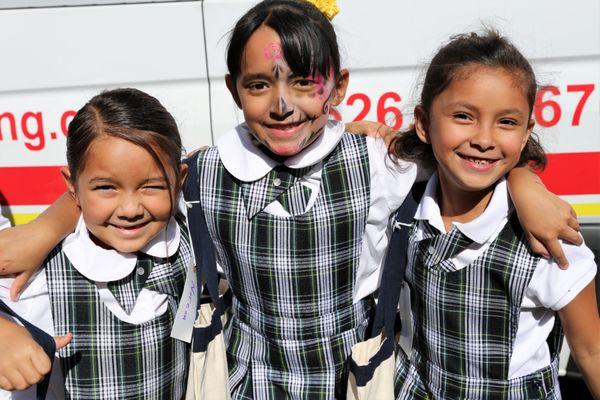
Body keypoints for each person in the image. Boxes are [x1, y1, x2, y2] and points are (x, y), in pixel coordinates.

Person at [0, 2, 582, 399]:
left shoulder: (377, 162)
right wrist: (55, 218)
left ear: (339, 86)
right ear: (234, 89)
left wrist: (527, 182)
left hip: (354, 380)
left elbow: (472, 158)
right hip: (255, 380)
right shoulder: (206, 173)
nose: (282, 105)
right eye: (260, 85)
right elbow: (131, 188)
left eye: (305, 82)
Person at [391, 31, 600, 399]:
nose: (484, 138)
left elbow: (591, 351)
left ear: (525, 134)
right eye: (463, 116)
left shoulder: (547, 239)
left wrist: (524, 181)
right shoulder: (400, 201)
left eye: (506, 122)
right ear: (423, 123)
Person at [0, 88, 192, 399]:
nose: (130, 210)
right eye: (106, 188)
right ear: (71, 186)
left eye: (152, 187)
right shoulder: (42, 274)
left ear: (179, 181)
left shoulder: (186, 237)